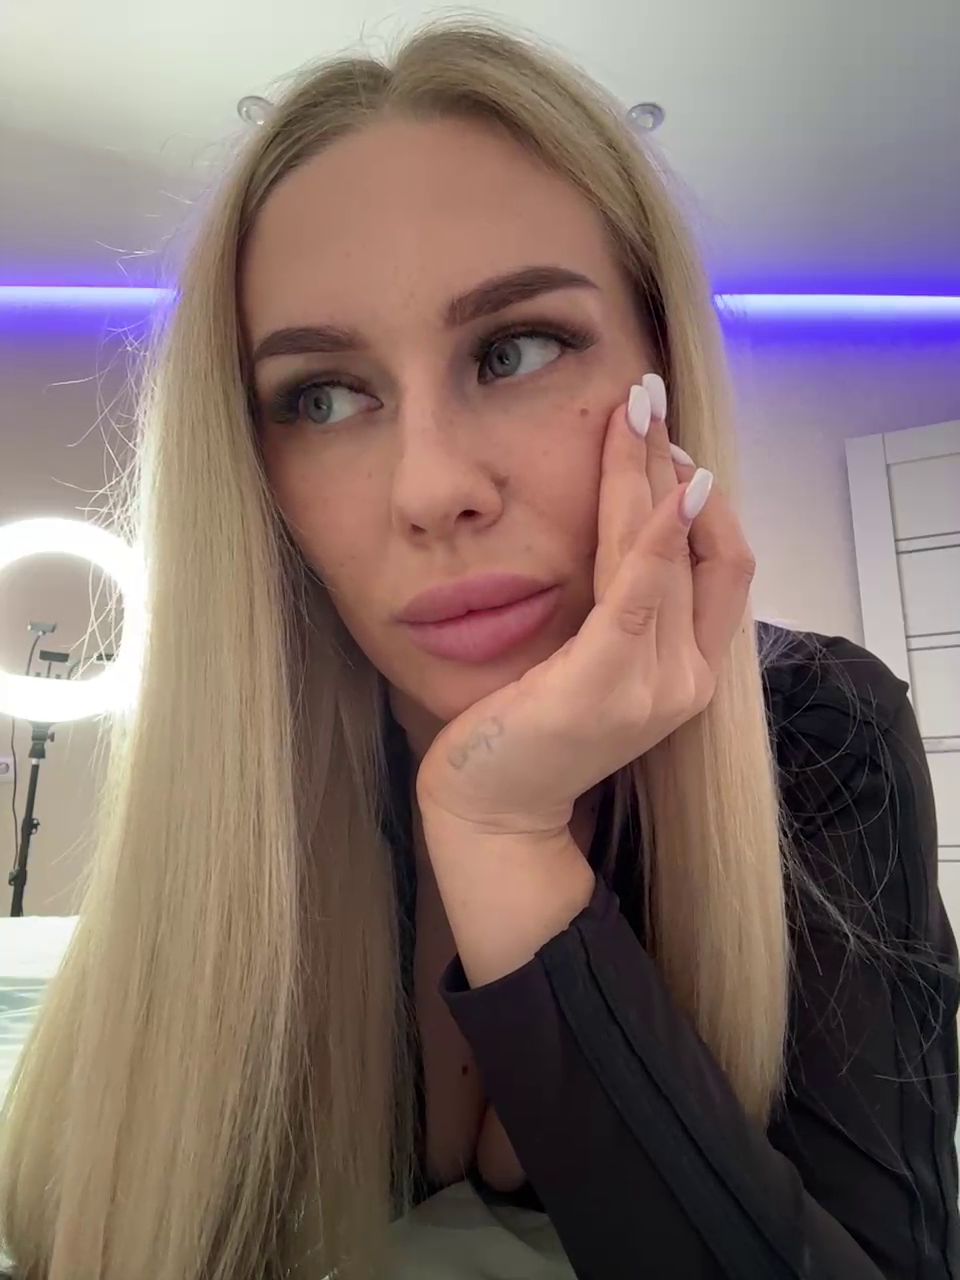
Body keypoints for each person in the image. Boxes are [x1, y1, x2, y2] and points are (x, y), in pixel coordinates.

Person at [1, 17, 957, 1280]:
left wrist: (502, 833)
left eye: (515, 350)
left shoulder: (818, 733)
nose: (432, 488)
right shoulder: (247, 779)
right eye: (322, 396)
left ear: (663, 371)